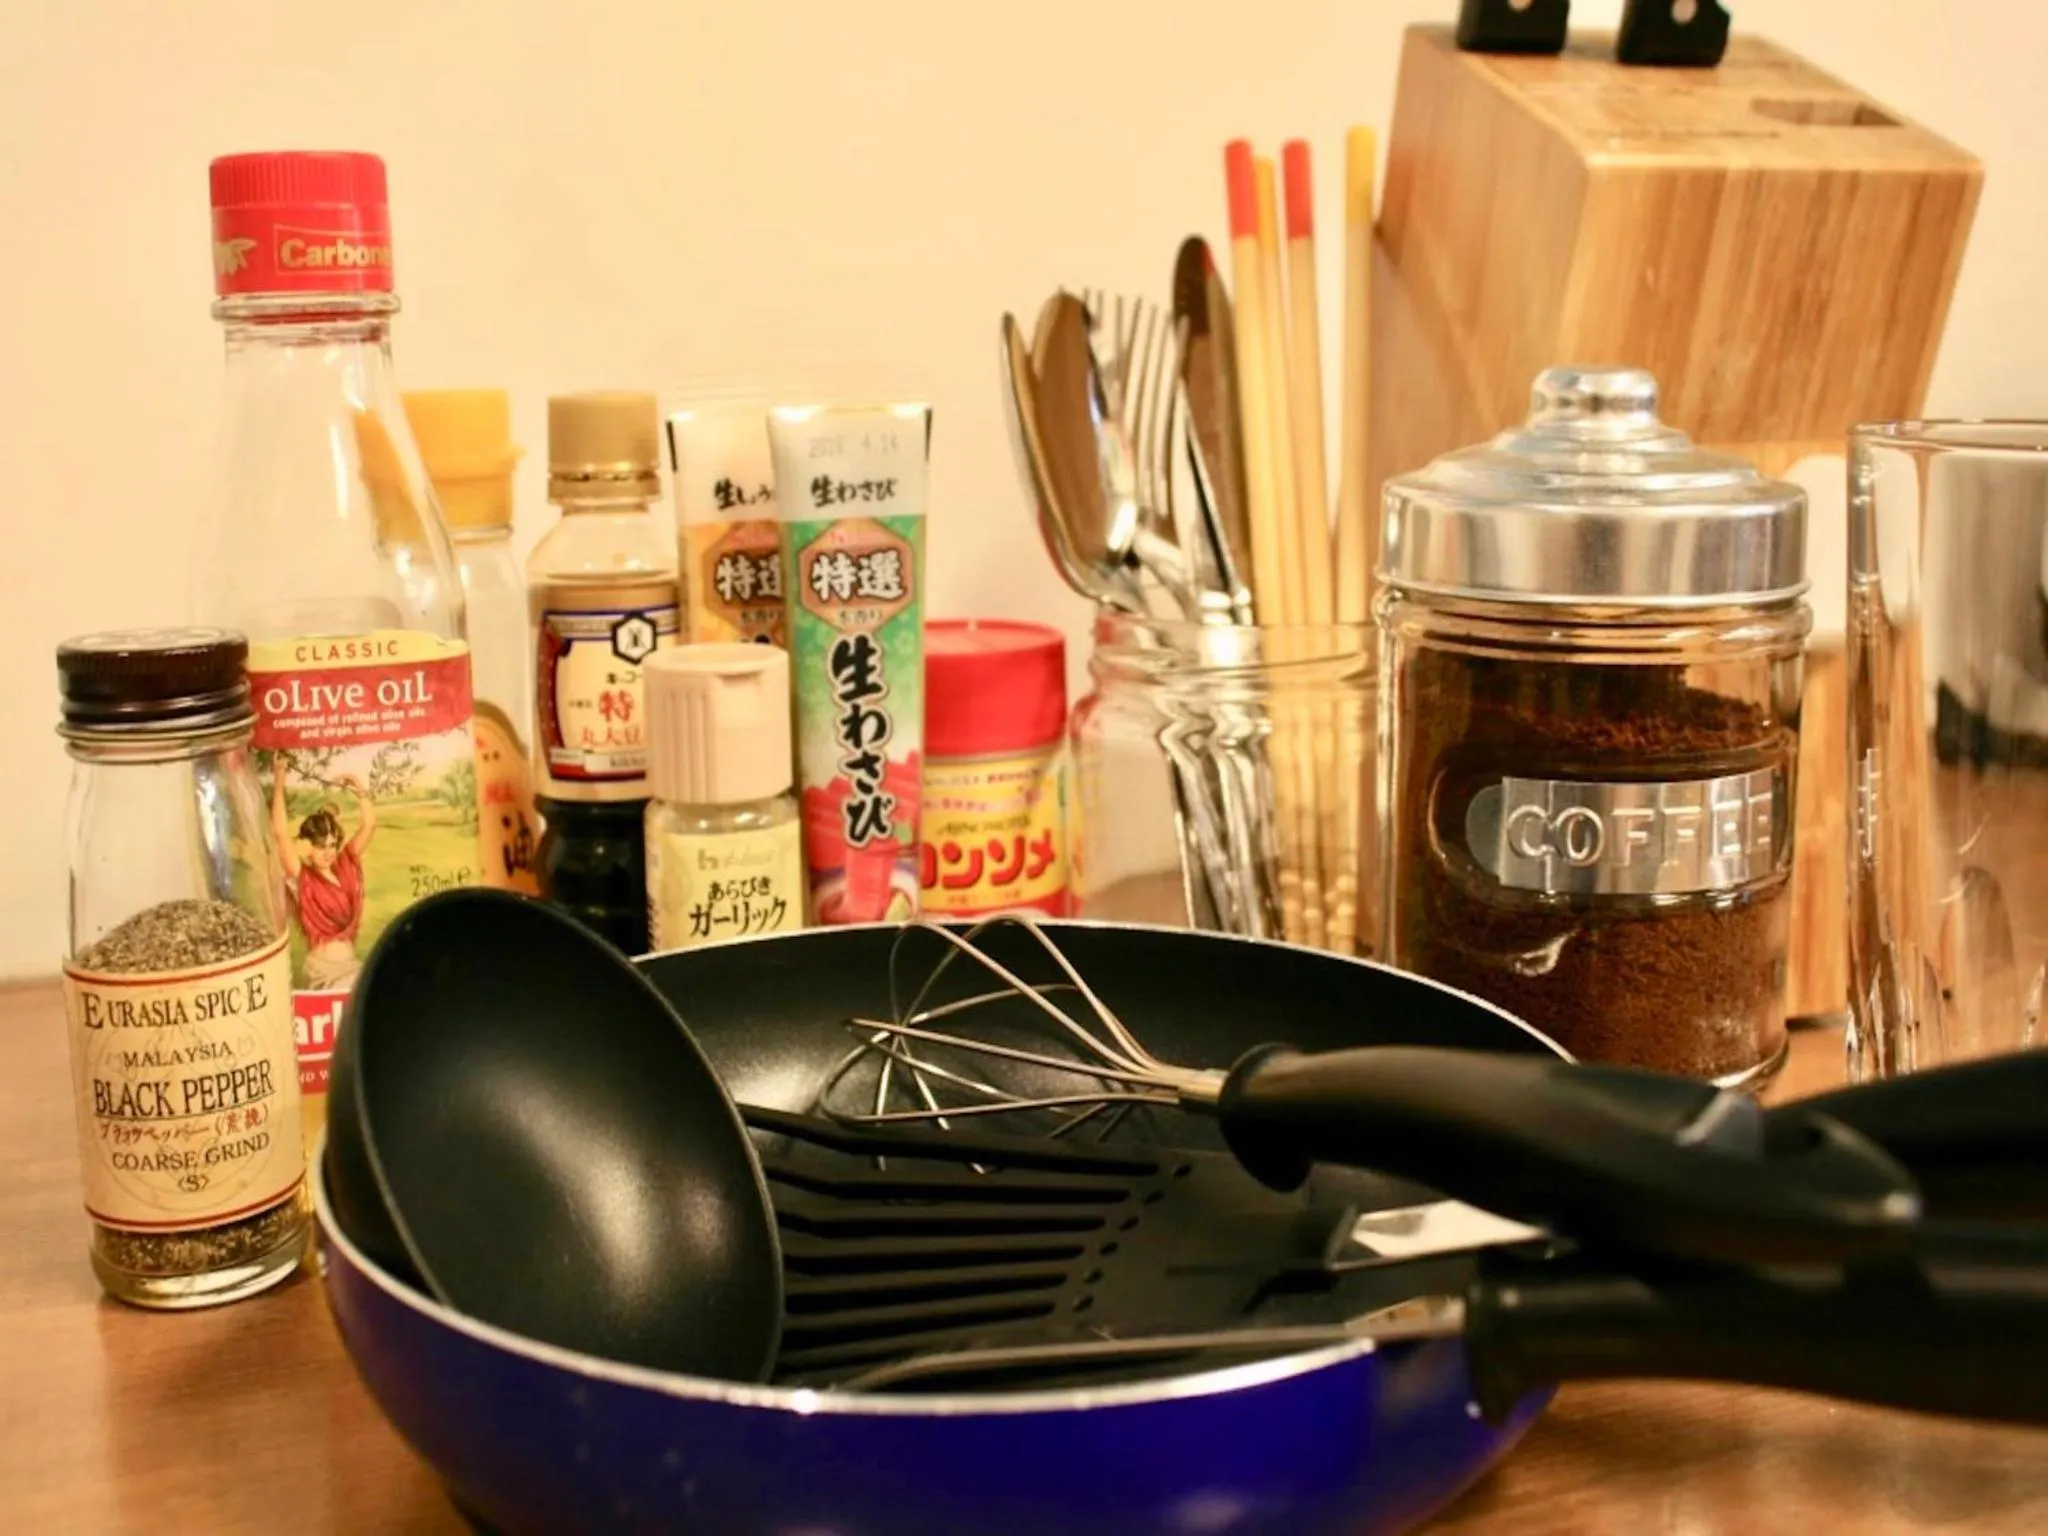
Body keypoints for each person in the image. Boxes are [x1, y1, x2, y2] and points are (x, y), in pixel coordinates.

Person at [271, 760, 376, 992]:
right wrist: (279, 778)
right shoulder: (302, 878)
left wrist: (358, 788)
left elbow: (369, 825)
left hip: (350, 966)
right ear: (308, 846)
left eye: (331, 844)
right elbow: (279, 833)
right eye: (320, 846)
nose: (328, 852)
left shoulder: (345, 864)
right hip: (323, 973)